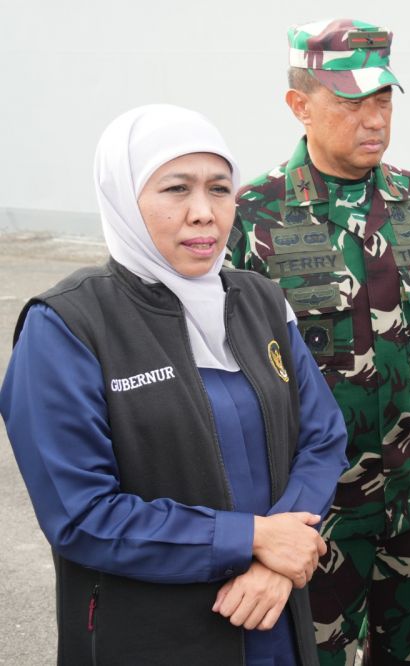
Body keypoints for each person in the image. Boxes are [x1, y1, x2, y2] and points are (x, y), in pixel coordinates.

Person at [0, 104, 350, 665]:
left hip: (269, 616)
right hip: (151, 635)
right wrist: (253, 540)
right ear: (122, 196)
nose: (203, 214)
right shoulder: (69, 326)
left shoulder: (260, 300)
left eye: (219, 189)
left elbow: (323, 437)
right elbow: (82, 514)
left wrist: (276, 559)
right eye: (174, 189)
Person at [227, 18, 410, 665]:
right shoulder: (255, 214)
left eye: (382, 101)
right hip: (310, 511)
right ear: (299, 104)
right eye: (352, 103)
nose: (374, 119)